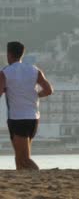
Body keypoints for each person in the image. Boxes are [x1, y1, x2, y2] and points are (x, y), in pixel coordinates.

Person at [0, 41, 53, 170]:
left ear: (9, 54)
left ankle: (41, 177)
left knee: (24, 158)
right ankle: (22, 182)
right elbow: (48, 90)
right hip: (33, 117)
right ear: (22, 54)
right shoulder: (34, 70)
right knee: (19, 156)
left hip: (17, 118)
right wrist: (34, 96)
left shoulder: (5, 72)